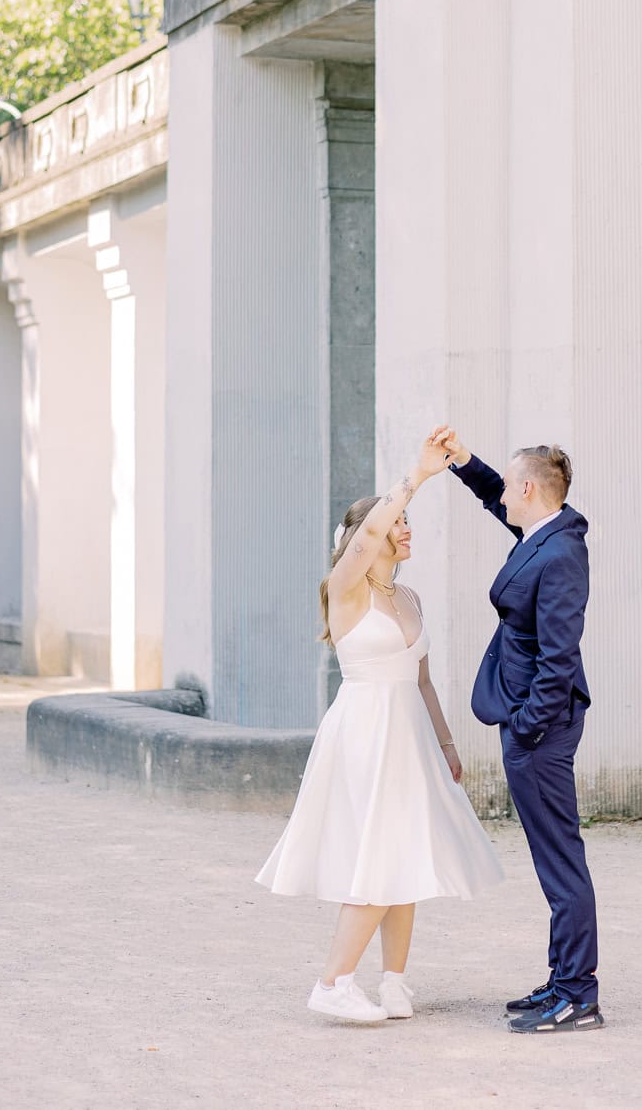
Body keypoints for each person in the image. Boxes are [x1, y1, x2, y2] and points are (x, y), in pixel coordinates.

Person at [256, 431, 504, 1024]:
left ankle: (394, 981)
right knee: (379, 853)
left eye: (408, 521)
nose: (406, 529)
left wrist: (445, 743)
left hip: (409, 734)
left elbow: (422, 682)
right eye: (399, 522)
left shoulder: (410, 597)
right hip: (365, 732)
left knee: (405, 855)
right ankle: (332, 982)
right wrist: (415, 476)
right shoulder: (345, 592)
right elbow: (368, 535)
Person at [438, 429, 604, 1034]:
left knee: (561, 863)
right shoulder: (543, 534)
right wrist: (463, 462)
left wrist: (527, 729)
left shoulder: (559, 553)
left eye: (510, 486)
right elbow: (492, 498)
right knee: (554, 861)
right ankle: (564, 981)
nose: (502, 495)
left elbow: (561, 657)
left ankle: (578, 995)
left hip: (541, 730)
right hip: (530, 723)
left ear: (529, 489)